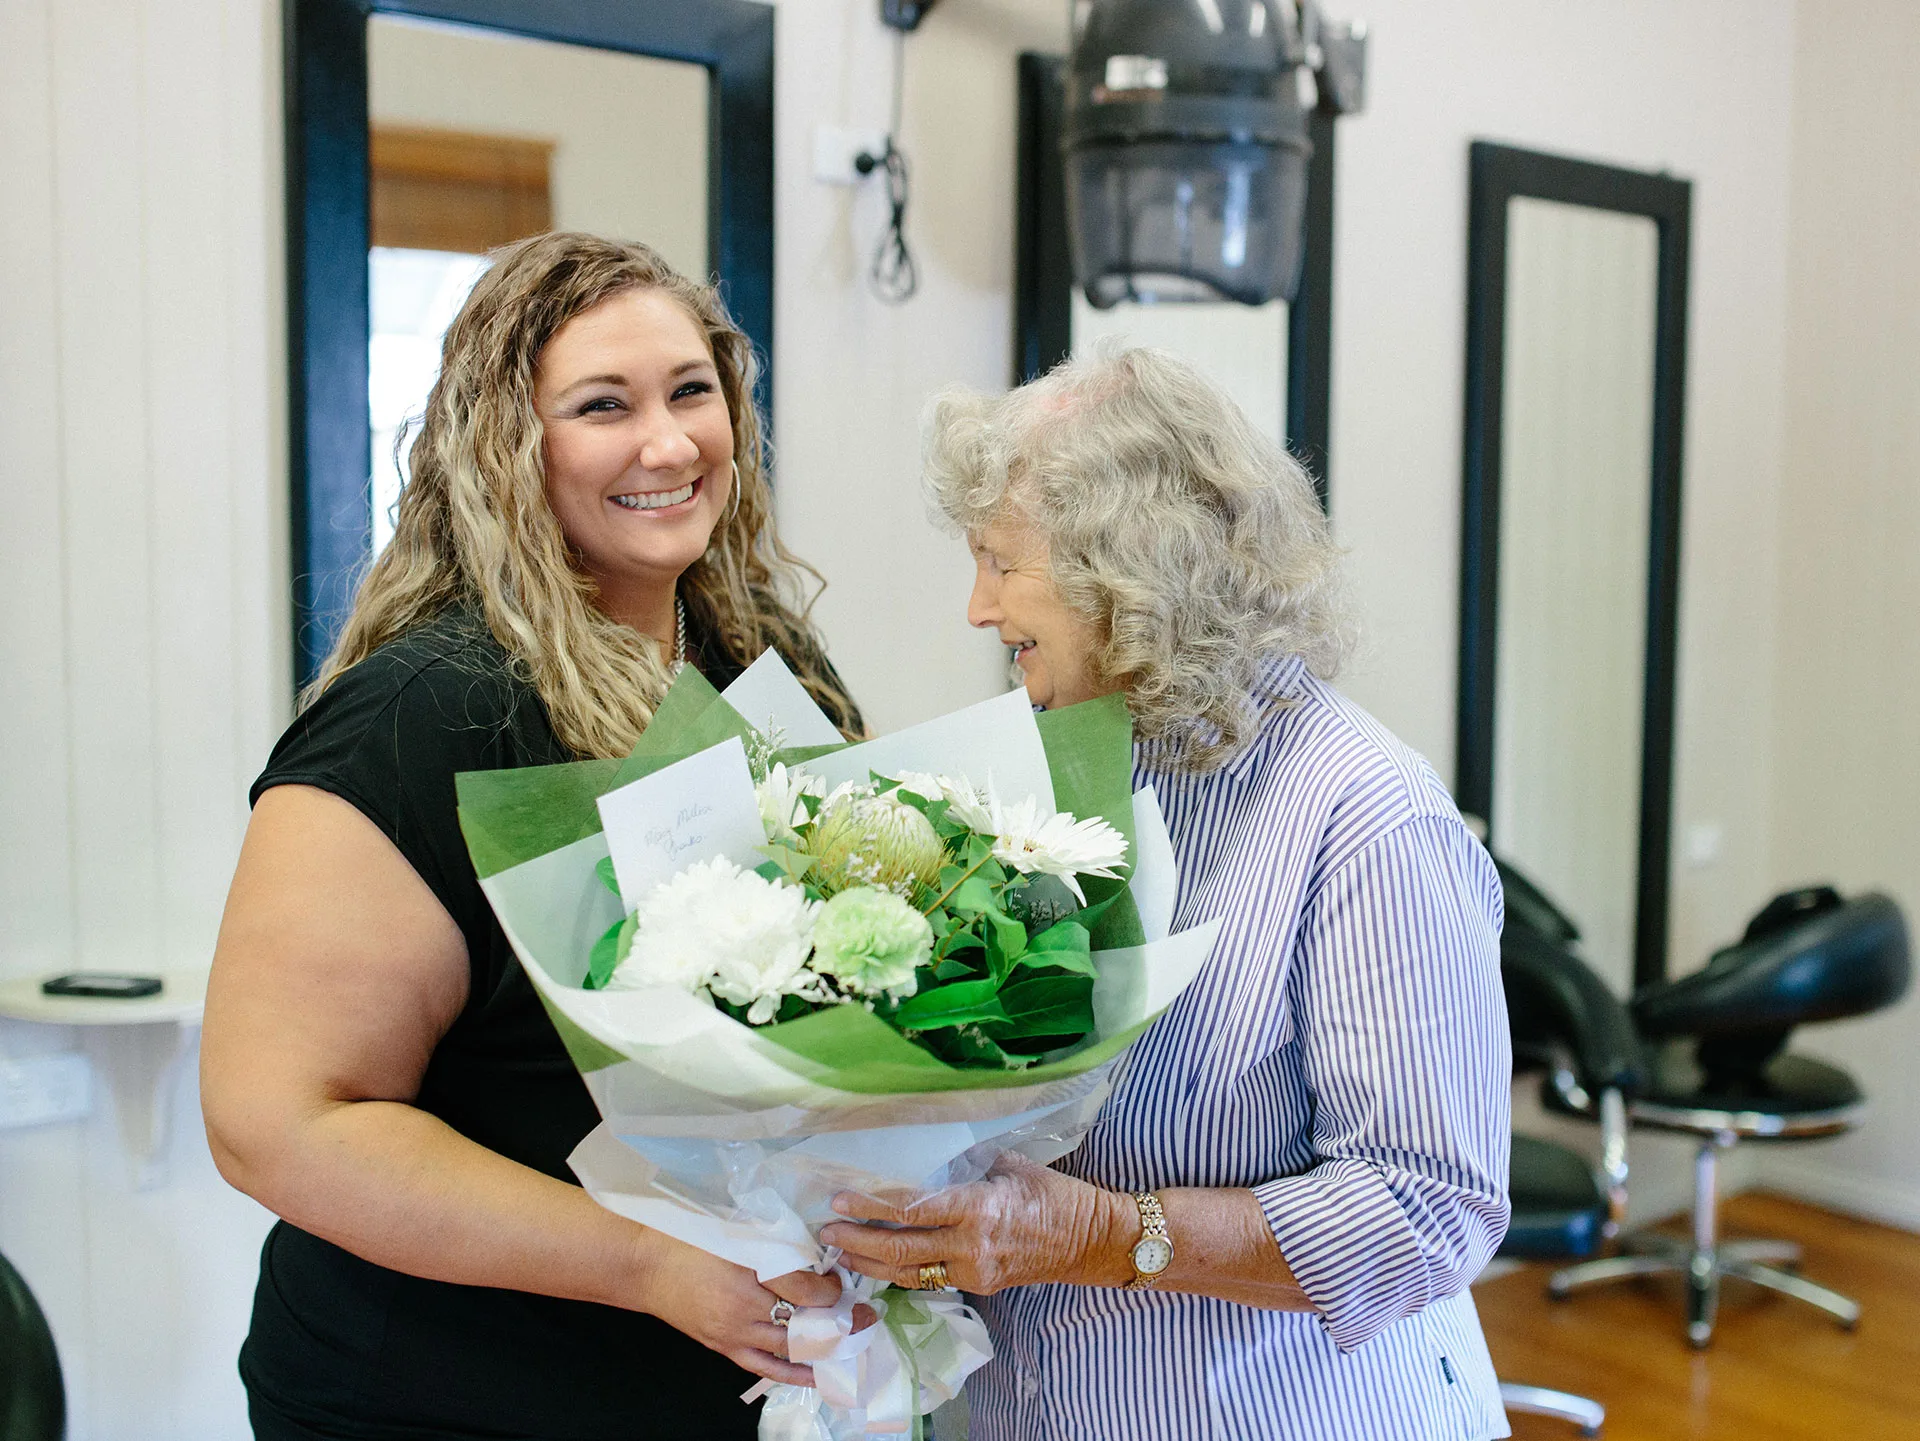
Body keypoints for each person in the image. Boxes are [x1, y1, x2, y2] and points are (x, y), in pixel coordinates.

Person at [201, 232, 863, 1441]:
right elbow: (277, 1125)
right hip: (439, 1400)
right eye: (603, 406)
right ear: (509, 445)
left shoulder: (767, 668)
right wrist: (650, 1265)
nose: (668, 444)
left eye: (692, 391)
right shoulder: (421, 716)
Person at [820, 346, 1513, 1440]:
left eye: (1000, 561)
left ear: (1126, 566)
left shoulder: (1369, 818)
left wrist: (1100, 1235)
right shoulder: (1053, 769)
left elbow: (1428, 1211)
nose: (975, 606)